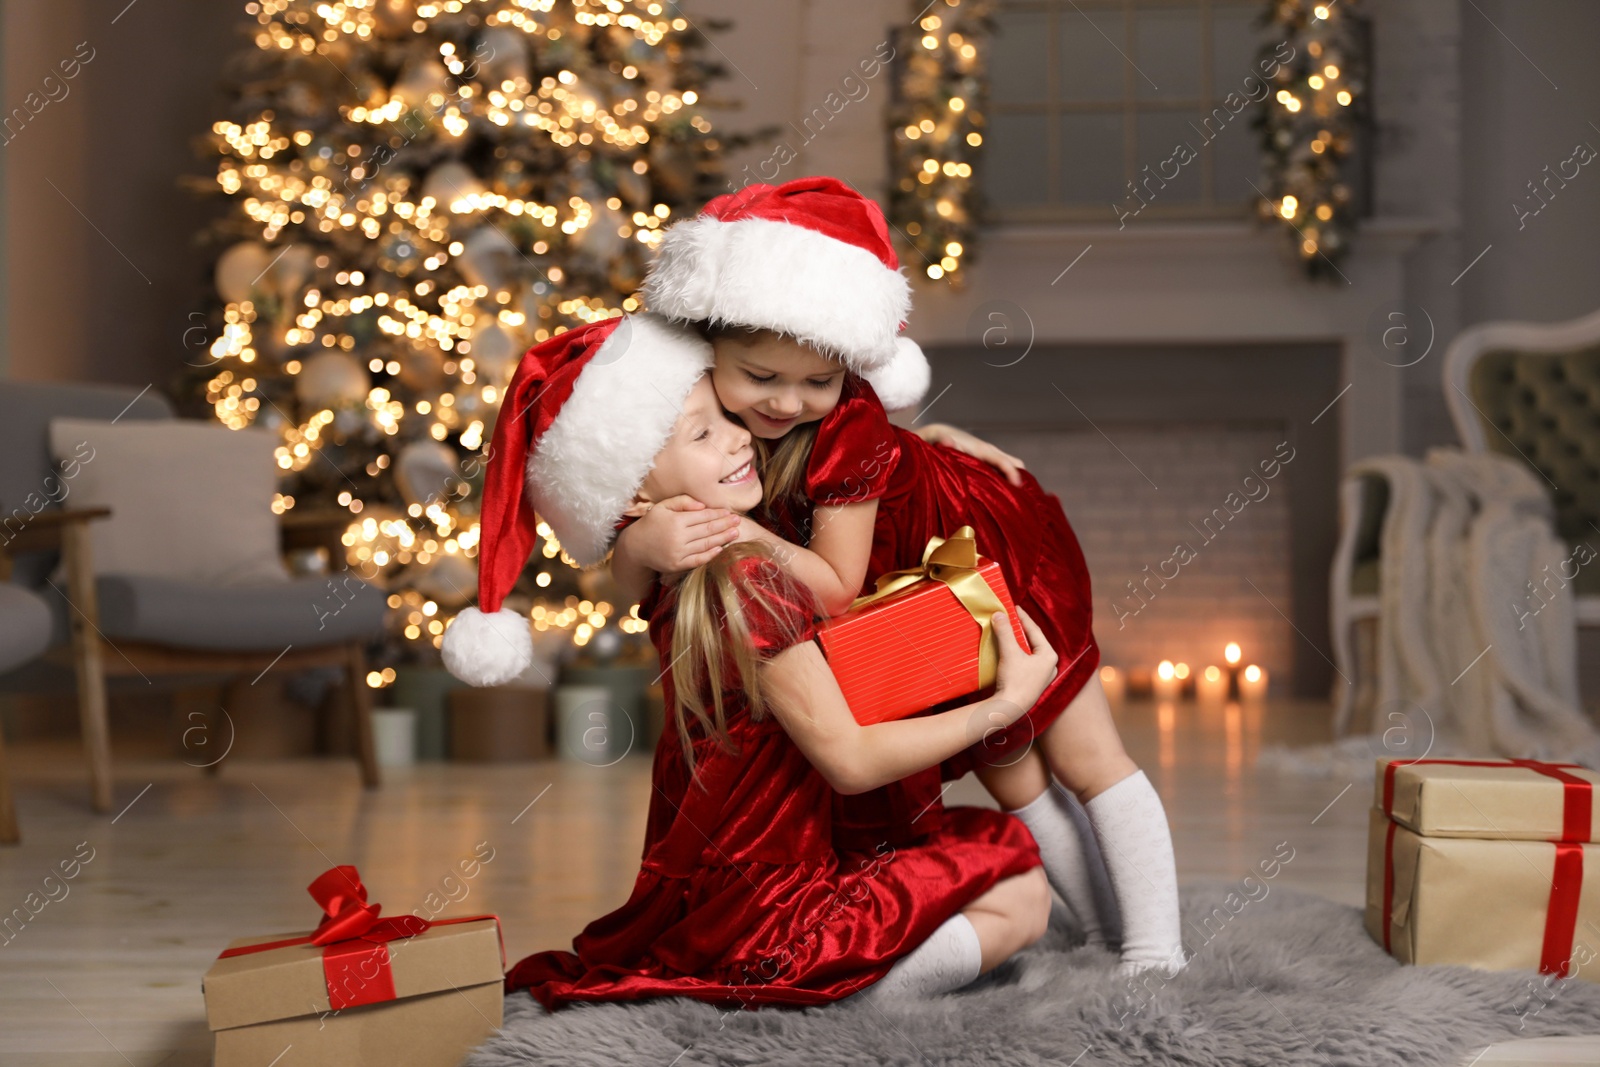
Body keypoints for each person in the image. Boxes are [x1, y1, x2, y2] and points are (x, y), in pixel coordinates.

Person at [613, 176, 1187, 979]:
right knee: (1014, 772)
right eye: (761, 379)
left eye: (818, 382)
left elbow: (839, 585)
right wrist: (644, 533)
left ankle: (1159, 955)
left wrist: (749, 528)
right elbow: (633, 553)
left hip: (980, 549)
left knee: (1085, 756)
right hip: (905, 595)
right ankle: (1102, 942)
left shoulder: (844, 429)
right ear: (711, 356)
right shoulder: (706, 417)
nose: (787, 401)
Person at [441, 311, 1061, 1008]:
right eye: (702, 432)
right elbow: (850, 760)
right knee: (1019, 883)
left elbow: (632, 567)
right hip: (773, 913)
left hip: (718, 884)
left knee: (974, 846)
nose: (741, 436)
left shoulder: (680, 564)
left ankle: (846, 976)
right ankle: (862, 998)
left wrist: (922, 446)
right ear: (638, 495)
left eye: (725, 415)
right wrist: (1005, 703)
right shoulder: (745, 579)